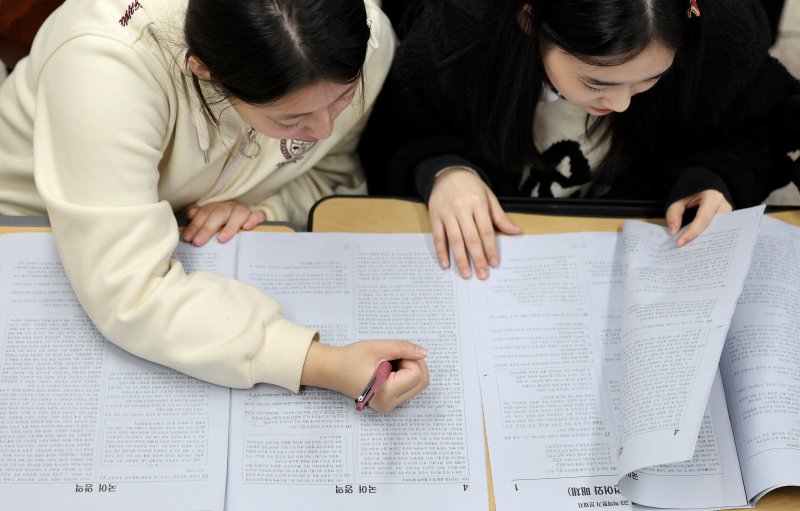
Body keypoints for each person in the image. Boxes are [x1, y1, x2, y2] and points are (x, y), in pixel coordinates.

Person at [0, 0, 429, 413]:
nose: (323, 129)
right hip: (33, 231)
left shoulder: (368, 38)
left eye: (343, 97)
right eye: (289, 121)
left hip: (181, 241)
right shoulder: (103, 64)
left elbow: (333, 175)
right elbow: (129, 292)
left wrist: (263, 204)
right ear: (204, 70)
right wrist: (317, 363)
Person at [359, 0, 800, 280]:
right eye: (596, 82)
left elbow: (760, 127)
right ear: (529, 16)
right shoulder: (459, 32)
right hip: (501, 261)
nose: (623, 104)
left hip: (637, 251)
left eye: (652, 79)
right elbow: (395, 127)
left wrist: (713, 177)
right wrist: (443, 170)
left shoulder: (718, 31)